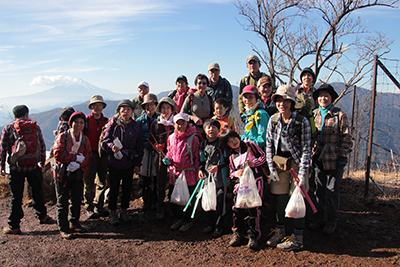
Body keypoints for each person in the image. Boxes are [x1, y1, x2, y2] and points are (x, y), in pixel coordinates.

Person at [265, 85, 311, 251]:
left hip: (297, 164)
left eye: (285, 100)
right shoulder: (274, 120)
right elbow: (269, 144)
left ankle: (297, 237)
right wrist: (271, 167)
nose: (281, 103)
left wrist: (302, 173)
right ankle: (280, 230)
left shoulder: (301, 121)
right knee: (280, 197)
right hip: (279, 163)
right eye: (278, 100)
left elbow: (307, 149)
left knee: (298, 198)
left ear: (291, 102)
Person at [1, 105, 55, 235]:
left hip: (16, 168)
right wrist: (42, 162)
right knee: (37, 191)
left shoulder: (9, 128)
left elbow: (3, 148)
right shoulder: (35, 127)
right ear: (27, 114)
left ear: (15, 116)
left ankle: (14, 225)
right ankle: (42, 216)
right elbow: (41, 145)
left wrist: (2, 165)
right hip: (33, 166)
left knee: (16, 196)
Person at [308, 83, 353, 235]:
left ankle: (332, 219)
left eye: (326, 95)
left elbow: (347, 136)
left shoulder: (339, 115)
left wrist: (342, 154)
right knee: (319, 189)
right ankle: (319, 217)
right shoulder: (314, 114)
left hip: (334, 158)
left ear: (331, 98)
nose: (323, 98)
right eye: (320, 96)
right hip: (317, 157)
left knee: (333, 190)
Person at [220, 129, 266, 250]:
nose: (233, 142)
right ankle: (237, 233)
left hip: (256, 182)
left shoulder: (250, 145)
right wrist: (236, 173)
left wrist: (253, 163)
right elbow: (231, 173)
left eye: (234, 138)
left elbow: (264, 156)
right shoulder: (231, 157)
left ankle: (253, 235)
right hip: (240, 185)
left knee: (254, 209)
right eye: (229, 141)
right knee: (237, 209)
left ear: (238, 136)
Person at [101, 100, 144, 226]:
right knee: (114, 189)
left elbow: (139, 146)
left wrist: (137, 164)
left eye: (128, 109)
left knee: (127, 188)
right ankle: (113, 212)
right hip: (114, 162)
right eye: (123, 109)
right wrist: (111, 146)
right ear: (119, 111)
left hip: (129, 162)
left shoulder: (135, 126)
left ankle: (124, 210)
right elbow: (106, 140)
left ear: (132, 111)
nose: (126, 111)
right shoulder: (113, 124)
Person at [53, 111, 92, 239]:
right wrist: (74, 158)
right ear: (71, 123)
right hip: (63, 173)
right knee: (62, 200)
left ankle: (74, 222)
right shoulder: (63, 137)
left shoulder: (85, 139)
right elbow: (57, 154)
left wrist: (79, 165)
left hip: (77, 173)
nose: (79, 125)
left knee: (76, 199)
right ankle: (63, 228)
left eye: (81, 122)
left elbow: (88, 156)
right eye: (76, 122)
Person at [162, 113, 200, 233]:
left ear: (187, 124)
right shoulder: (171, 138)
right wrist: (168, 158)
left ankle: (188, 220)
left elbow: (197, 158)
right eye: (178, 123)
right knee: (173, 198)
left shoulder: (193, 138)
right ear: (174, 124)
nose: (180, 126)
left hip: (189, 174)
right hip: (175, 173)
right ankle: (178, 218)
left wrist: (198, 174)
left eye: (183, 123)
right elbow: (170, 152)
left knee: (188, 199)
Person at [199, 119, 229, 237]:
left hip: (221, 178)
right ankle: (210, 224)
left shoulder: (222, 144)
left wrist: (219, 167)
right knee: (209, 201)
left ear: (218, 130)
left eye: (214, 127)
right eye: (208, 127)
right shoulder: (203, 145)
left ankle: (219, 226)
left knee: (220, 202)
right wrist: (201, 170)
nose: (211, 130)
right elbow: (202, 160)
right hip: (208, 178)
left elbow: (228, 160)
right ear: (205, 130)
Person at [150, 97, 176, 220]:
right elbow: (150, 139)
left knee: (174, 182)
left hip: (175, 158)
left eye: (168, 108)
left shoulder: (177, 123)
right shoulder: (155, 124)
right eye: (163, 108)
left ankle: (172, 207)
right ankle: (160, 207)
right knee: (160, 183)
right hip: (160, 157)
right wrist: (157, 146)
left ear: (172, 109)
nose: (165, 110)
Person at [84, 95, 109, 219]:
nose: (97, 107)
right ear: (91, 107)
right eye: (95, 105)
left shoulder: (107, 121)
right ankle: (89, 207)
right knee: (89, 182)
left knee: (101, 182)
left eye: (99, 105)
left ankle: (99, 205)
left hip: (103, 155)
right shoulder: (86, 121)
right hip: (90, 155)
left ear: (102, 107)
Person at [137, 93, 159, 211]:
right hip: (145, 150)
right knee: (145, 175)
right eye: (147, 105)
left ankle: (155, 200)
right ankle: (146, 200)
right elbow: (137, 135)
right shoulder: (140, 121)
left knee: (155, 175)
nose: (150, 107)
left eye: (152, 105)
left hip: (156, 150)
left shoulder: (160, 119)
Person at [181, 74, 213, 140]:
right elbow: (182, 114)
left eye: (204, 83)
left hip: (207, 132)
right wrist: (192, 118)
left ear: (207, 85)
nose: (202, 85)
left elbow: (213, 114)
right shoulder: (191, 97)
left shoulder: (210, 99)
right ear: (196, 84)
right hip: (193, 132)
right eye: (199, 83)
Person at [241, 85, 270, 150]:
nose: (247, 100)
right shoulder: (249, 114)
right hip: (250, 149)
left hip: (258, 152)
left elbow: (263, 139)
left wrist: (247, 146)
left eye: (251, 97)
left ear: (256, 98)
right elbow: (247, 134)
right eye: (245, 97)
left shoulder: (261, 114)